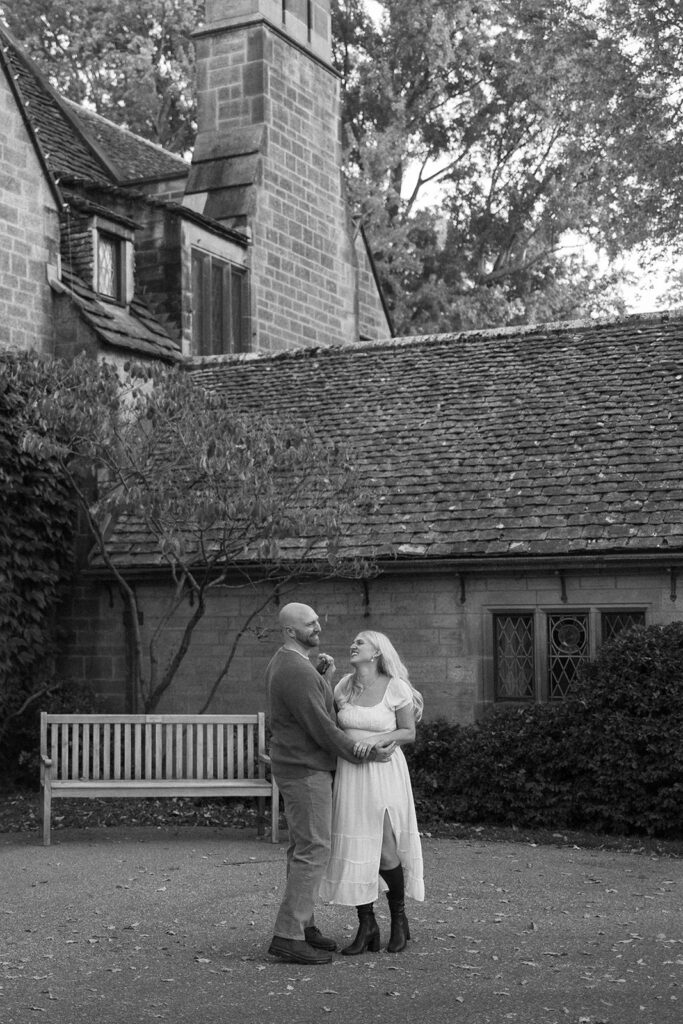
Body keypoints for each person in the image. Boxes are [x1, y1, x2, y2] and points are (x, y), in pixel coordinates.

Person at [265, 602, 396, 966]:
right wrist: (362, 752)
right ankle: (288, 935)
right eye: (309, 624)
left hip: (295, 767)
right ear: (290, 631)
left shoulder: (288, 663)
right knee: (314, 849)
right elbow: (323, 727)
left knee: (301, 848)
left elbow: (309, 707)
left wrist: (323, 675)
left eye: (317, 620)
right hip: (305, 771)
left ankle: (303, 926)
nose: (317, 627)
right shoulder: (296, 671)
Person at [320, 630, 425, 954]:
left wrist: (376, 740)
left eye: (360, 643)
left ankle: (398, 919)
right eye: (352, 642)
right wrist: (327, 677)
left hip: (383, 770)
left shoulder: (395, 687)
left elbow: (409, 731)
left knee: (384, 849)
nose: (353, 645)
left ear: (377, 652)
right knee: (355, 846)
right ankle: (367, 925)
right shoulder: (343, 686)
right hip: (352, 772)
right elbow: (329, 723)